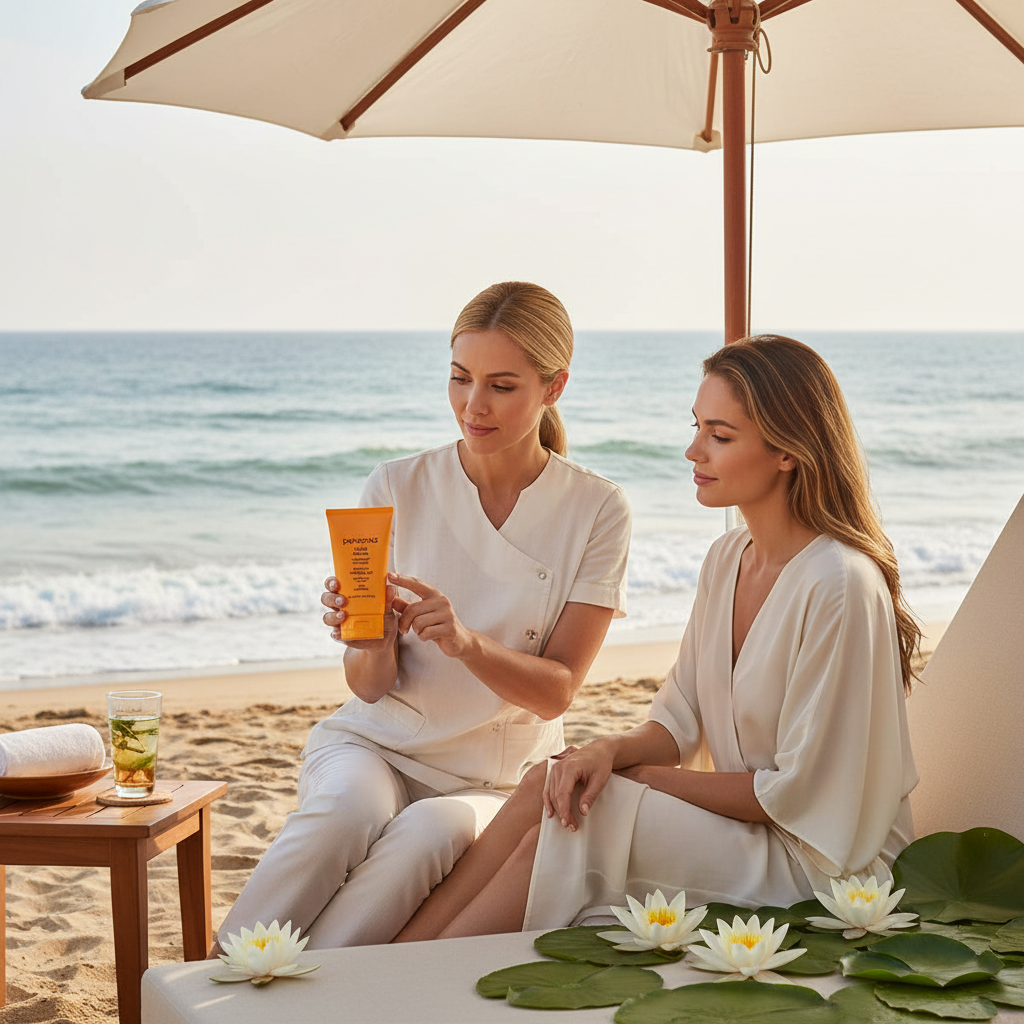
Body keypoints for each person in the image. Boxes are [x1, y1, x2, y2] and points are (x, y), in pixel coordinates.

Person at [394, 334, 920, 942]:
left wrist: (632, 778)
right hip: (746, 832)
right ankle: (395, 962)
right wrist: (604, 753)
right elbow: (680, 722)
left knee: (580, 818)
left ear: (788, 452)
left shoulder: (839, 584)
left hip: (826, 867)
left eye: (720, 436)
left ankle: (423, 983)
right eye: (697, 426)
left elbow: (794, 795)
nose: (693, 449)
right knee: (552, 779)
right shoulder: (728, 559)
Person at [213, 281, 631, 951]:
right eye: (460, 378)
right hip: (375, 744)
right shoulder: (396, 485)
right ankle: (214, 984)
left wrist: (467, 643)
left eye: (501, 385)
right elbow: (368, 686)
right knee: (343, 815)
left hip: (490, 776)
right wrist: (370, 640)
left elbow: (556, 692)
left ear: (552, 388)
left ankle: (316, 998)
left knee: (425, 835)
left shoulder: (597, 509)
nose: (473, 404)